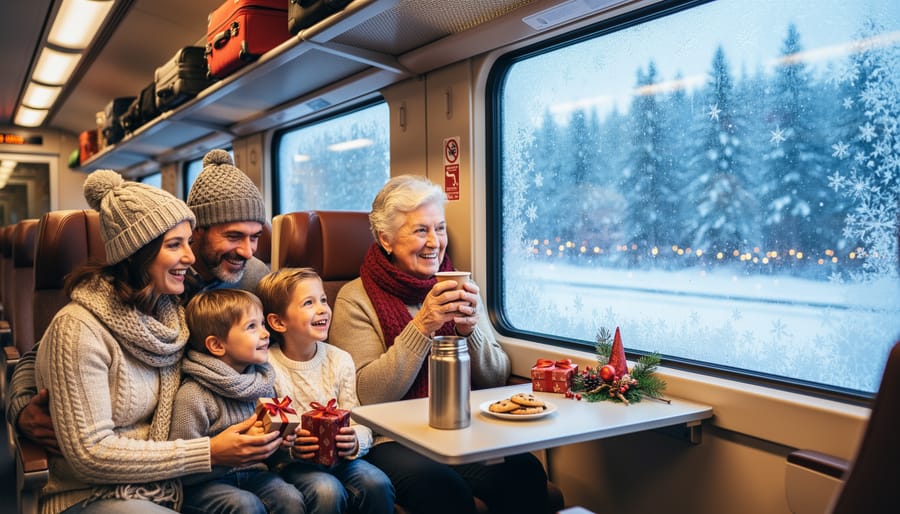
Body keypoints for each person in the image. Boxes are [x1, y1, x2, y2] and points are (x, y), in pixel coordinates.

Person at [33, 170, 282, 514]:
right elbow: (91, 455)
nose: (190, 258)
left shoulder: (170, 315)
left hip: (166, 483)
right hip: (90, 492)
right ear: (138, 253)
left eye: (186, 242)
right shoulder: (78, 327)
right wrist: (208, 451)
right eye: (175, 245)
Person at [6, 147, 270, 456]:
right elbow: (46, 351)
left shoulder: (254, 277)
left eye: (255, 237)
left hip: (222, 423)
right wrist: (21, 405)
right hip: (177, 439)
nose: (248, 251)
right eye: (234, 236)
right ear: (197, 233)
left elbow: (272, 349)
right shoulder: (154, 288)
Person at [328, 175, 549, 514]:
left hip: (459, 424)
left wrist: (469, 332)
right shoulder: (354, 298)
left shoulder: (459, 283)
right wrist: (423, 326)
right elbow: (369, 396)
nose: (435, 242)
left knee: (524, 472)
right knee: (443, 490)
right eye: (420, 230)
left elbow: (494, 377)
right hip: (394, 438)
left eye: (440, 228)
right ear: (386, 239)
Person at [256, 267, 395, 514]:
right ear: (278, 322)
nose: (322, 309)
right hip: (295, 465)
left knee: (377, 483)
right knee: (326, 490)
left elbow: (359, 420)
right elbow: (268, 432)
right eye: (308, 303)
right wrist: (291, 448)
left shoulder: (340, 360)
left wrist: (354, 441)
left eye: (323, 300)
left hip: (343, 460)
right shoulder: (268, 367)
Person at [171, 288, 305, 514]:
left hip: (256, 474)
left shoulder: (263, 384)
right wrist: (227, 458)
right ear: (217, 345)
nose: (265, 334)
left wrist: (282, 442)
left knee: (290, 497)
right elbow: (182, 468)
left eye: (262, 324)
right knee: (245, 505)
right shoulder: (193, 395)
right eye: (251, 327)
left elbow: (274, 458)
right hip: (205, 484)